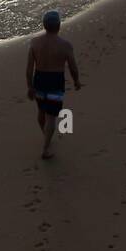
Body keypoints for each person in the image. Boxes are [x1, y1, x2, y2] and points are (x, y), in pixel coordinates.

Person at [26, 10, 81, 159]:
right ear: (59, 25)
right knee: (51, 116)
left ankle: (46, 136)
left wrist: (30, 86)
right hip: (55, 81)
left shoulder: (34, 43)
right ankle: (45, 148)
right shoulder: (65, 45)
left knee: (41, 110)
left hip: (39, 79)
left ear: (44, 25)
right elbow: (73, 67)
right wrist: (76, 81)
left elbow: (29, 68)